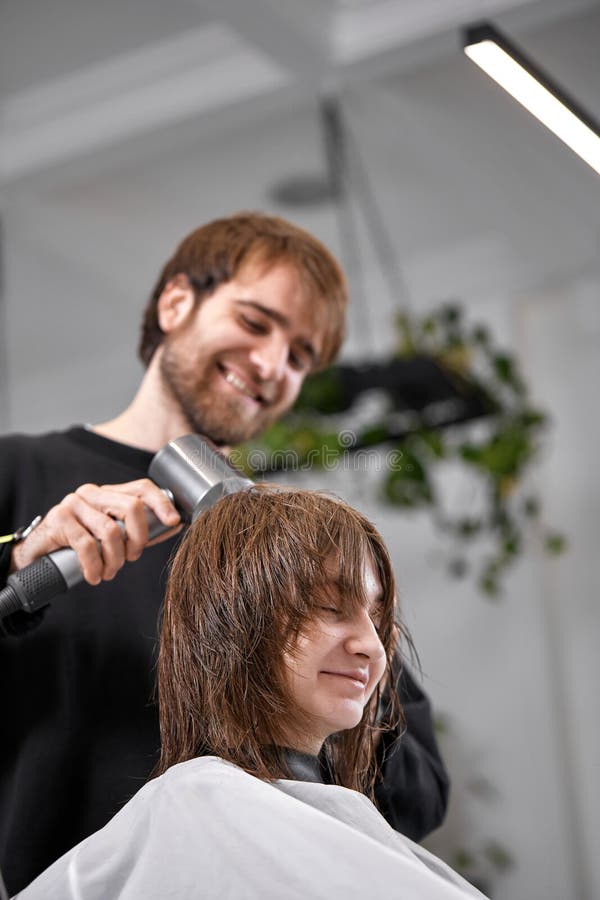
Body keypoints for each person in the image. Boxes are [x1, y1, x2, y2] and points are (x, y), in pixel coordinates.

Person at [0, 213, 448, 894]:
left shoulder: (293, 551)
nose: (272, 366)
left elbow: (419, 793)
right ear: (177, 302)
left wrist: (321, 673)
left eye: (301, 356)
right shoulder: (19, 476)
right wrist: (20, 561)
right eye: (255, 322)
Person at [16, 488, 479, 900]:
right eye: (330, 606)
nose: (372, 646)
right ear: (236, 619)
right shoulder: (196, 805)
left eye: (379, 620)